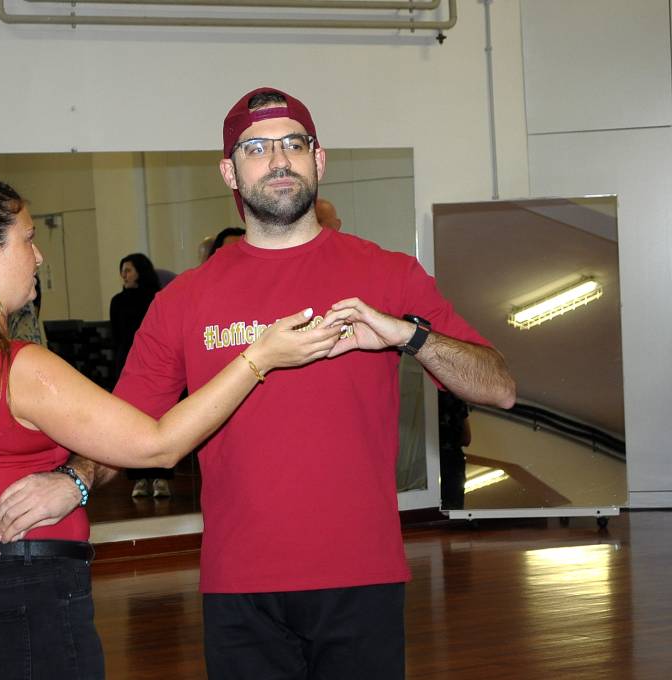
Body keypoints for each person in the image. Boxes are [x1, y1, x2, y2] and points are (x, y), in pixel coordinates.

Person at [107, 88, 517, 679]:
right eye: (256, 149)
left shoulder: (387, 273)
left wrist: (408, 336)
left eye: (293, 144)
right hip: (240, 586)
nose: (278, 160)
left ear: (318, 159)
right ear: (229, 172)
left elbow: (499, 386)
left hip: (362, 579)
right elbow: (125, 429)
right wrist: (68, 482)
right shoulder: (182, 301)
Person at [0, 176, 340, 679]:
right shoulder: (21, 370)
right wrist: (259, 358)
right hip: (20, 597)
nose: (38, 256)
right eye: (28, 239)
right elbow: (158, 445)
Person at [109, 253, 173, 498]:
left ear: (141, 271)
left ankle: (160, 478)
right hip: (128, 365)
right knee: (131, 423)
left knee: (160, 421)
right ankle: (138, 479)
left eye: (129, 270)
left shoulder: (156, 298)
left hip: (156, 366)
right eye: (122, 270)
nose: (124, 275)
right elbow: (117, 336)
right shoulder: (118, 301)